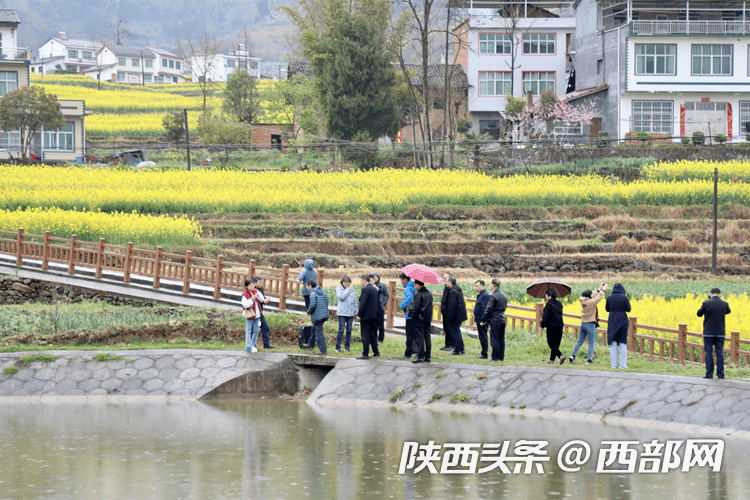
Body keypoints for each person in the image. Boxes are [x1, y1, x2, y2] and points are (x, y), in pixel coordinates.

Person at [697, 288, 731, 379]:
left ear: (710, 294)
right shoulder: (725, 304)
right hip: (720, 333)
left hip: (708, 333)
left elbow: (699, 314)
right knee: (719, 352)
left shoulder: (706, 303)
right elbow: (728, 311)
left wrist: (708, 301)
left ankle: (709, 374)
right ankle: (720, 374)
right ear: (720, 294)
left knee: (709, 353)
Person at [568, 283, 607, 364]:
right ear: (589, 296)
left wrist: (599, 287)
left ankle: (573, 355)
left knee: (579, 341)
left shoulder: (583, 301)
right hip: (590, 324)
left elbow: (592, 295)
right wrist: (604, 289)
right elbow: (599, 297)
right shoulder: (591, 303)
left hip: (583, 324)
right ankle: (589, 360)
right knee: (591, 343)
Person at [606, 283, 631, 369]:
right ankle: (622, 365)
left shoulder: (609, 297)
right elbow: (629, 309)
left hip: (612, 321)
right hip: (623, 321)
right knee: (622, 343)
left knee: (613, 342)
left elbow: (607, 309)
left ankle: (614, 365)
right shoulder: (624, 298)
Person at [356, 274, 380, 359]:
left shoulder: (365, 289)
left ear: (364, 281)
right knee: (373, 335)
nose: (361, 282)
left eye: (361, 281)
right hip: (374, 316)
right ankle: (376, 352)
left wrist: (359, 315)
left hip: (366, 316)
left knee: (365, 335)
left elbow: (363, 303)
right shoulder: (374, 289)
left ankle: (365, 353)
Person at [482, 279, 507, 361]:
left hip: (495, 320)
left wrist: (484, 319)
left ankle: (494, 357)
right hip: (502, 319)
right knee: (501, 339)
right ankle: (501, 357)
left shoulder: (492, 295)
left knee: (494, 338)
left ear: (492, 285)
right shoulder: (503, 295)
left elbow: (489, 308)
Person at [443, 276, 468, 355]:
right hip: (459, 315)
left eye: (446, 281)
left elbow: (452, 307)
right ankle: (461, 348)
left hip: (455, 316)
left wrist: (450, 318)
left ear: (450, 282)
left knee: (455, 332)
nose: (445, 283)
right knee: (458, 331)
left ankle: (457, 349)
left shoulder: (453, 291)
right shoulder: (457, 288)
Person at [411, 279, 433, 363]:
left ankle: (420, 356)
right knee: (427, 337)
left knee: (419, 337)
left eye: (414, 284)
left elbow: (416, 308)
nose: (414, 286)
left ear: (417, 284)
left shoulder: (418, 294)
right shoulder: (429, 292)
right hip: (427, 318)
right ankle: (428, 356)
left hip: (419, 318)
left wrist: (413, 317)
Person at [541, 289, 565, 364]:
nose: (545, 297)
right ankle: (552, 360)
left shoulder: (549, 304)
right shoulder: (559, 304)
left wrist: (542, 325)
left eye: (546, 295)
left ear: (549, 296)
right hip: (560, 326)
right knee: (556, 343)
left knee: (551, 343)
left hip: (551, 326)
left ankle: (560, 356)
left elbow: (546, 316)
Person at [305, 279, 329, 355]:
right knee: (314, 329)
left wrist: (308, 311)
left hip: (318, 316)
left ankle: (323, 350)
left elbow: (312, 305)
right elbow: (326, 302)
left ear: (310, 286)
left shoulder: (312, 293)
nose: (306, 287)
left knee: (319, 333)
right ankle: (310, 344)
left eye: (307, 285)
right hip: (324, 314)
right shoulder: (322, 292)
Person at [241, 278, 264, 353]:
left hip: (257, 314)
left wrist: (257, 295)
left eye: (253, 285)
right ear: (247, 287)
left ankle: (253, 345)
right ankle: (248, 347)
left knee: (256, 330)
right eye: (250, 286)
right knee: (249, 330)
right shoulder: (245, 294)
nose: (252, 287)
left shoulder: (255, 291)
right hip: (250, 315)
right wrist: (251, 299)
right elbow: (245, 305)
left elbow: (261, 299)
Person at [335, 276, 356, 353]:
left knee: (349, 330)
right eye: (345, 282)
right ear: (342, 282)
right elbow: (341, 297)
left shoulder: (352, 289)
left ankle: (347, 346)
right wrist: (347, 290)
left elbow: (354, 301)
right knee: (341, 330)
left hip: (350, 313)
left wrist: (356, 312)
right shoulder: (339, 288)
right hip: (342, 313)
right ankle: (338, 347)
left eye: (348, 282)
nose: (347, 284)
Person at [398, 273, 417, 360]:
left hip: (409, 314)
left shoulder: (408, 288)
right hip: (415, 313)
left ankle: (408, 353)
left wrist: (402, 305)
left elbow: (408, 298)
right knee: (414, 333)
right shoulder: (414, 286)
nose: (401, 282)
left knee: (409, 334)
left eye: (402, 280)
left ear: (405, 279)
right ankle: (415, 351)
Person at [253, 277, 275, 349]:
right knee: (254, 329)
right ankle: (253, 345)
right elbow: (255, 300)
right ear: (254, 283)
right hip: (253, 313)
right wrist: (263, 301)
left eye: (262, 282)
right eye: (260, 283)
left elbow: (262, 297)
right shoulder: (252, 290)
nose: (261, 284)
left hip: (260, 312)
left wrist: (265, 300)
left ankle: (266, 344)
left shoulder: (261, 289)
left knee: (265, 327)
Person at [473, 280, 489, 359]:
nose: (476, 288)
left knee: (483, 336)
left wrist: (483, 320)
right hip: (479, 319)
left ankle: (484, 353)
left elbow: (484, 309)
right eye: (475, 286)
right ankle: (483, 352)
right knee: (481, 336)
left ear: (482, 286)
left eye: (477, 286)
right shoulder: (481, 294)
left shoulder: (485, 295)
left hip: (482, 320)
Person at [372, 271, 389, 343]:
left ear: (378, 277)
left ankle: (381, 339)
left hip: (380, 307)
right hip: (373, 307)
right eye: (373, 276)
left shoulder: (382, 285)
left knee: (381, 324)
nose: (374, 278)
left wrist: (384, 303)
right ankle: (374, 338)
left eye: (376, 276)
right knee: (374, 323)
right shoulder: (370, 285)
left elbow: (387, 295)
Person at [439, 274, 453, 352]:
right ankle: (447, 344)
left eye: (446, 279)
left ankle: (450, 345)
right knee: (445, 328)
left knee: (449, 328)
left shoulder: (451, 289)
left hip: (448, 312)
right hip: (445, 311)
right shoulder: (446, 287)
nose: (444, 280)